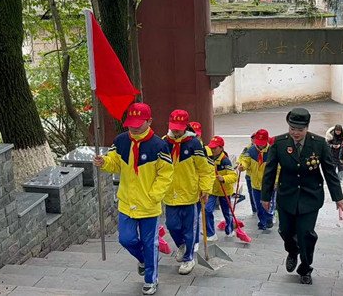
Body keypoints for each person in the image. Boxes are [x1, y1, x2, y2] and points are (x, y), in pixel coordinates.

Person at [93, 102, 173, 295]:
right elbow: (115, 163)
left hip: (149, 205)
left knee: (150, 243)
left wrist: (154, 195)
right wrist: (104, 162)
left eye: (139, 123)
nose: (134, 127)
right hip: (127, 203)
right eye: (131, 123)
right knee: (126, 239)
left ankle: (151, 279)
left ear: (149, 121)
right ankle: (144, 259)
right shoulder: (121, 141)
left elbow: (166, 175)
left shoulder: (159, 146)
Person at [262, 108, 343, 285]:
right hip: (286, 195)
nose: (295, 133)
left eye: (300, 129)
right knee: (285, 231)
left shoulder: (319, 144)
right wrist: (265, 196)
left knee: (306, 234)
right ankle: (292, 251)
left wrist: (338, 197)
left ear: (307, 127)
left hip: (310, 196)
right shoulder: (279, 143)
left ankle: (305, 268)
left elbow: (330, 172)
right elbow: (269, 171)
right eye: (292, 129)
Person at [162, 109, 213, 275]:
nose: (176, 131)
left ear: (185, 126)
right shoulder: (164, 142)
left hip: (190, 195)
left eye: (179, 128)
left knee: (189, 229)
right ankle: (182, 245)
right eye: (173, 127)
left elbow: (205, 169)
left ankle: (188, 258)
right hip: (170, 194)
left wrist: (205, 188)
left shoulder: (194, 143)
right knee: (172, 225)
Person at [238, 129, 275, 231]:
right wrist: (242, 166)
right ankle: (262, 222)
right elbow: (245, 160)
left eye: (262, 143)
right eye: (258, 143)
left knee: (268, 203)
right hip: (255, 183)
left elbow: (278, 168)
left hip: (268, 183)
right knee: (258, 205)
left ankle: (269, 218)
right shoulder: (251, 150)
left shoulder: (272, 151)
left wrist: (276, 181)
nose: (260, 145)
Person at [204, 136, 238, 238]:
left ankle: (229, 230)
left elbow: (233, 176)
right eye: (211, 148)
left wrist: (223, 178)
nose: (212, 150)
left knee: (227, 212)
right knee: (207, 210)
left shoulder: (225, 161)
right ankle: (210, 233)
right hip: (212, 190)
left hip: (225, 191)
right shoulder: (208, 158)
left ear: (221, 148)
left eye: (215, 148)